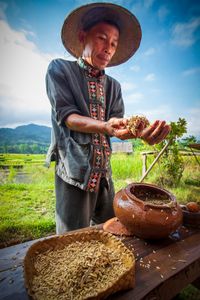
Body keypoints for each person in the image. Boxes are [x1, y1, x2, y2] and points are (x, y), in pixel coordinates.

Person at [45, 3, 170, 234]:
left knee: (110, 230)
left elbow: (118, 125)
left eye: (113, 43)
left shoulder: (113, 86)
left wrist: (139, 133)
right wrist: (106, 126)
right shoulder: (60, 70)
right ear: (83, 37)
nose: (109, 48)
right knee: (74, 238)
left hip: (104, 173)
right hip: (74, 171)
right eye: (102, 38)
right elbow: (68, 117)